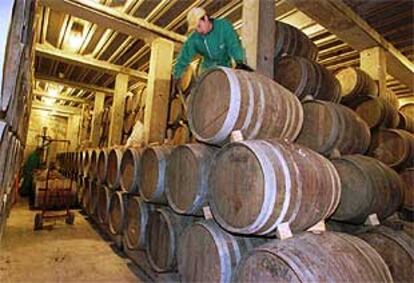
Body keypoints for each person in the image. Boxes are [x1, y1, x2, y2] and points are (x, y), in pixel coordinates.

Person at [173, 7, 252, 87]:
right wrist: (176, 76)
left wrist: (239, 62)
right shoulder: (194, 38)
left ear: (206, 18)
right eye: (196, 29)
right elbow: (184, 57)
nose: (198, 31)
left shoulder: (223, 27)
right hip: (206, 71)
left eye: (199, 26)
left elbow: (234, 45)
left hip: (224, 69)